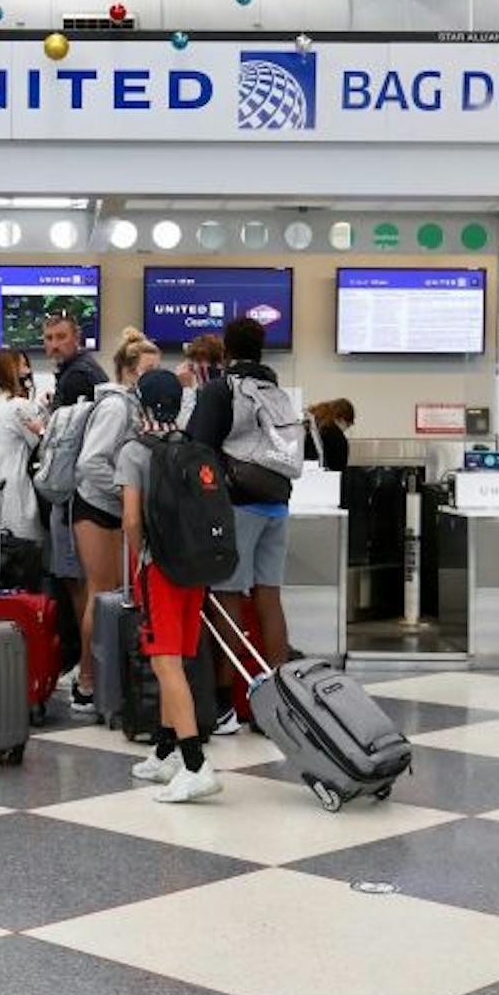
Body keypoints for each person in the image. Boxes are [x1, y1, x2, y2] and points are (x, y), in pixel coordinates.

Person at [117, 367, 221, 804]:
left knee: (164, 662)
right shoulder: (192, 447)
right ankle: (165, 751)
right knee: (175, 658)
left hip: (158, 569)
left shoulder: (134, 452)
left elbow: (131, 519)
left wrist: (138, 560)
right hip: (194, 569)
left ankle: (195, 764)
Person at [186, 316, 293, 737]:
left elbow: (197, 449)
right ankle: (284, 699)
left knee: (228, 596)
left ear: (226, 349)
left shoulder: (221, 389)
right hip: (277, 504)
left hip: (239, 506)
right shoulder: (275, 390)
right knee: (269, 596)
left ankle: (227, 702)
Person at [73, 328, 161, 710]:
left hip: (113, 507)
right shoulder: (115, 407)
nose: (156, 377)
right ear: (128, 371)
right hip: (95, 507)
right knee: (100, 592)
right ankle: (87, 681)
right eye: (149, 369)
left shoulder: (139, 406)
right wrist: (126, 491)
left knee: (112, 595)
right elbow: (91, 462)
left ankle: (104, 679)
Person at [44, 309, 105, 700]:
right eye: (48, 338)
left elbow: (69, 443)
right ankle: (90, 668)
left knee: (82, 587)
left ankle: (88, 672)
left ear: (76, 337)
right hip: (84, 496)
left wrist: (45, 429)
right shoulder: (82, 373)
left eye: (60, 337)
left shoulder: (79, 375)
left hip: (71, 497)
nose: (53, 345)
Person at [0, 349, 44, 543]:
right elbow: (41, 444)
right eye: (23, 364)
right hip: (15, 487)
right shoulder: (19, 405)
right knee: (21, 554)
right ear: (10, 369)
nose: (28, 369)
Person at [306, 398, 356, 472]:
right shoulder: (337, 438)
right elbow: (339, 470)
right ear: (342, 419)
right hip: (327, 479)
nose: (345, 430)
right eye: (347, 425)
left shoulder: (311, 426)